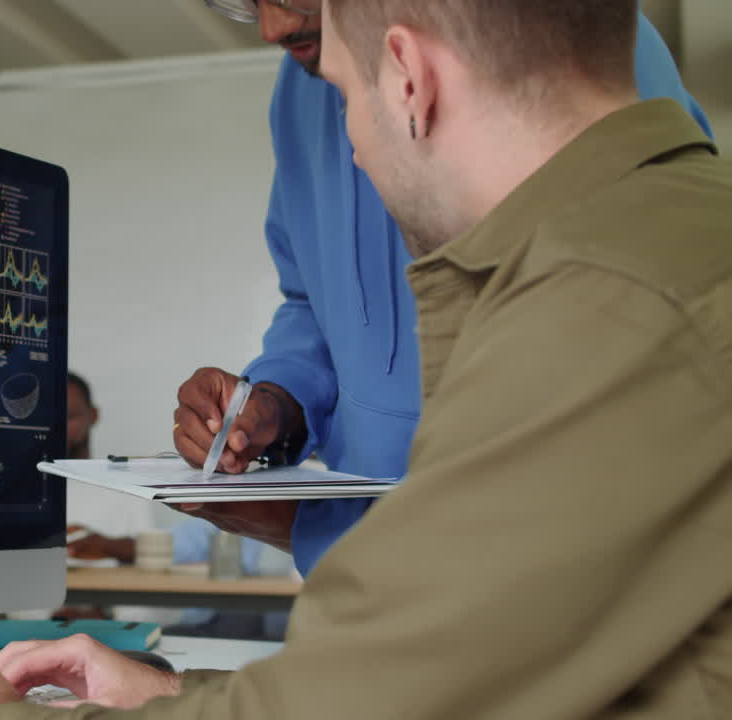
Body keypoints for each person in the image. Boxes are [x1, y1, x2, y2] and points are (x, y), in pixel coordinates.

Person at [0, 1, 732, 717]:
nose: (345, 144)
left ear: (409, 76)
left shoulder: (600, 310)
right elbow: (420, 683)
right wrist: (171, 694)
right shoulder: (633, 251)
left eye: (345, 94)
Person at [169, 0, 713, 578]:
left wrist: (312, 535)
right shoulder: (301, 88)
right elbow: (314, 301)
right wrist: (277, 404)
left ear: (414, 76)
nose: (272, 27)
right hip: (396, 568)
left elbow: (624, 358)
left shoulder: (561, 40)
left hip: (506, 562)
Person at [68, 516, 294, 641]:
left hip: (295, 632)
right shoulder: (259, 493)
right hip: (232, 621)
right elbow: (189, 540)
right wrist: (111, 546)